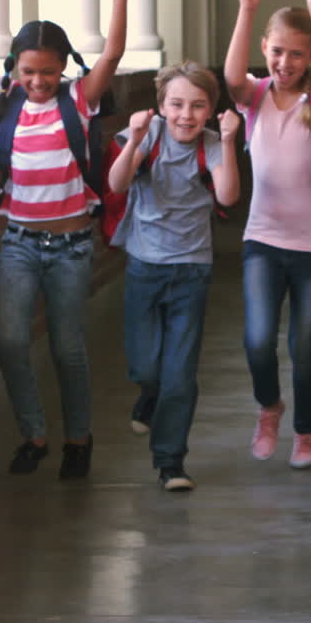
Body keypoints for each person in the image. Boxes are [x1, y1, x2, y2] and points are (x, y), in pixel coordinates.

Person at [0, 0, 133, 478]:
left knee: (68, 349)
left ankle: (78, 438)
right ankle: (35, 434)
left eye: (48, 72)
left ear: (64, 68)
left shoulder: (79, 100)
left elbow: (112, 53)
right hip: (19, 242)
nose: (39, 81)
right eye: (29, 71)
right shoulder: (5, 99)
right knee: (10, 342)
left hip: (70, 249)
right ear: (15, 68)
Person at [223, 0, 311, 469]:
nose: (285, 63)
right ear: (265, 50)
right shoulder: (253, 98)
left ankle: (307, 432)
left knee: (306, 345)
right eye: (276, 52)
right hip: (263, 240)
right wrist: (248, 7)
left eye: (296, 54)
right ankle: (269, 406)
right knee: (257, 339)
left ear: (309, 57)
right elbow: (230, 77)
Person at [107, 62, 240, 492]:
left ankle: (171, 462)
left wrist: (232, 141)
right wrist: (137, 141)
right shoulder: (147, 137)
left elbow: (228, 196)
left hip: (192, 272)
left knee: (180, 373)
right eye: (177, 104)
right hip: (145, 268)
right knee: (147, 365)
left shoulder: (213, 145)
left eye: (198, 106)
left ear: (211, 110)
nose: (187, 115)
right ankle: (148, 394)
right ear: (161, 106)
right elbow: (117, 183)